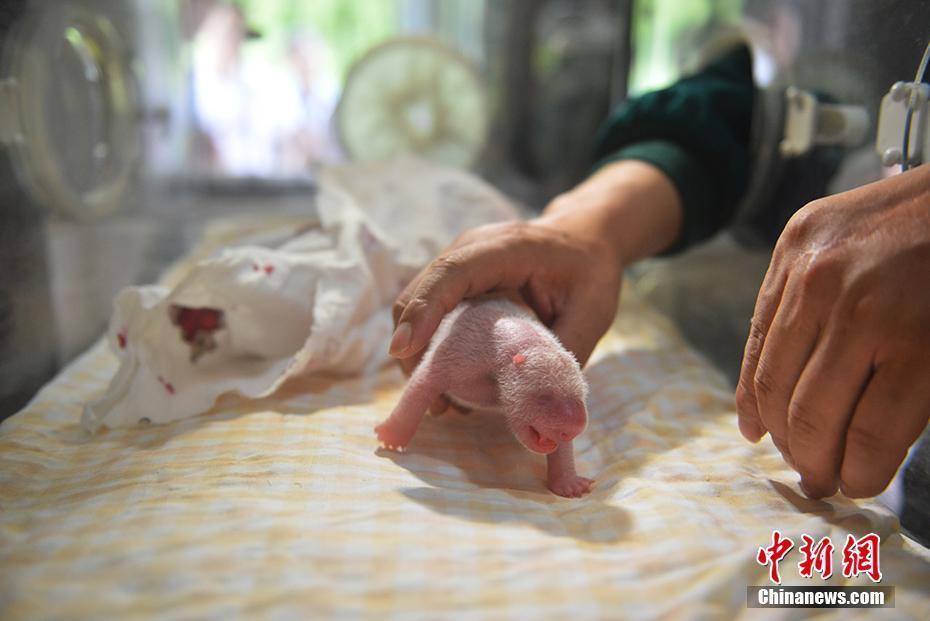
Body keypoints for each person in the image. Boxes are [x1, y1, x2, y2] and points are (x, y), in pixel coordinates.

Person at [387, 42, 930, 508]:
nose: (570, 429)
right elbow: (746, 117)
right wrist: (586, 228)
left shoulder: (529, 365)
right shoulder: (493, 355)